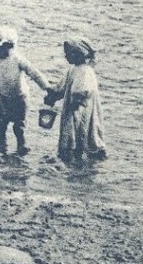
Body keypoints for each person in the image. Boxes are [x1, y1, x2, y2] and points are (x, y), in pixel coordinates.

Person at [0, 27, 51, 157]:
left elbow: (34, 74)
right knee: (0, 126)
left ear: (8, 46)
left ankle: (21, 146)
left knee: (19, 127)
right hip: (4, 100)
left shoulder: (18, 60)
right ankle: (1, 147)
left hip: (21, 99)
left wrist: (47, 89)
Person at [45, 36, 108, 166]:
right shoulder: (73, 70)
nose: (66, 56)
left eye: (68, 53)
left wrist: (73, 104)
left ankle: (80, 157)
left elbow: (81, 92)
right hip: (73, 109)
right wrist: (53, 95)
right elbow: (62, 87)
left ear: (79, 54)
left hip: (81, 110)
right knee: (74, 134)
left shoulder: (85, 71)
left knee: (82, 133)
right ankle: (75, 161)